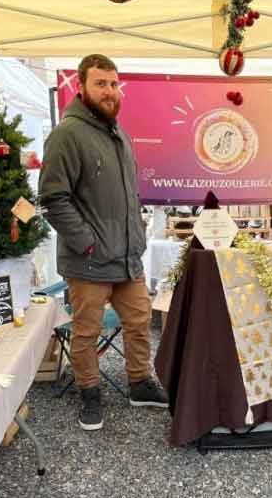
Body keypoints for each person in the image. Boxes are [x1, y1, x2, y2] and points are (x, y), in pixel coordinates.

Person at [39, 54, 168, 431]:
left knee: (140, 322)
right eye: (101, 83)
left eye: (114, 84)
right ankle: (89, 392)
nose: (110, 91)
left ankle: (140, 382)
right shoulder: (67, 135)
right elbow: (52, 198)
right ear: (81, 87)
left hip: (127, 256)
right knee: (87, 331)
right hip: (89, 260)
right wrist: (87, 243)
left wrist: (137, 236)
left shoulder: (119, 135)